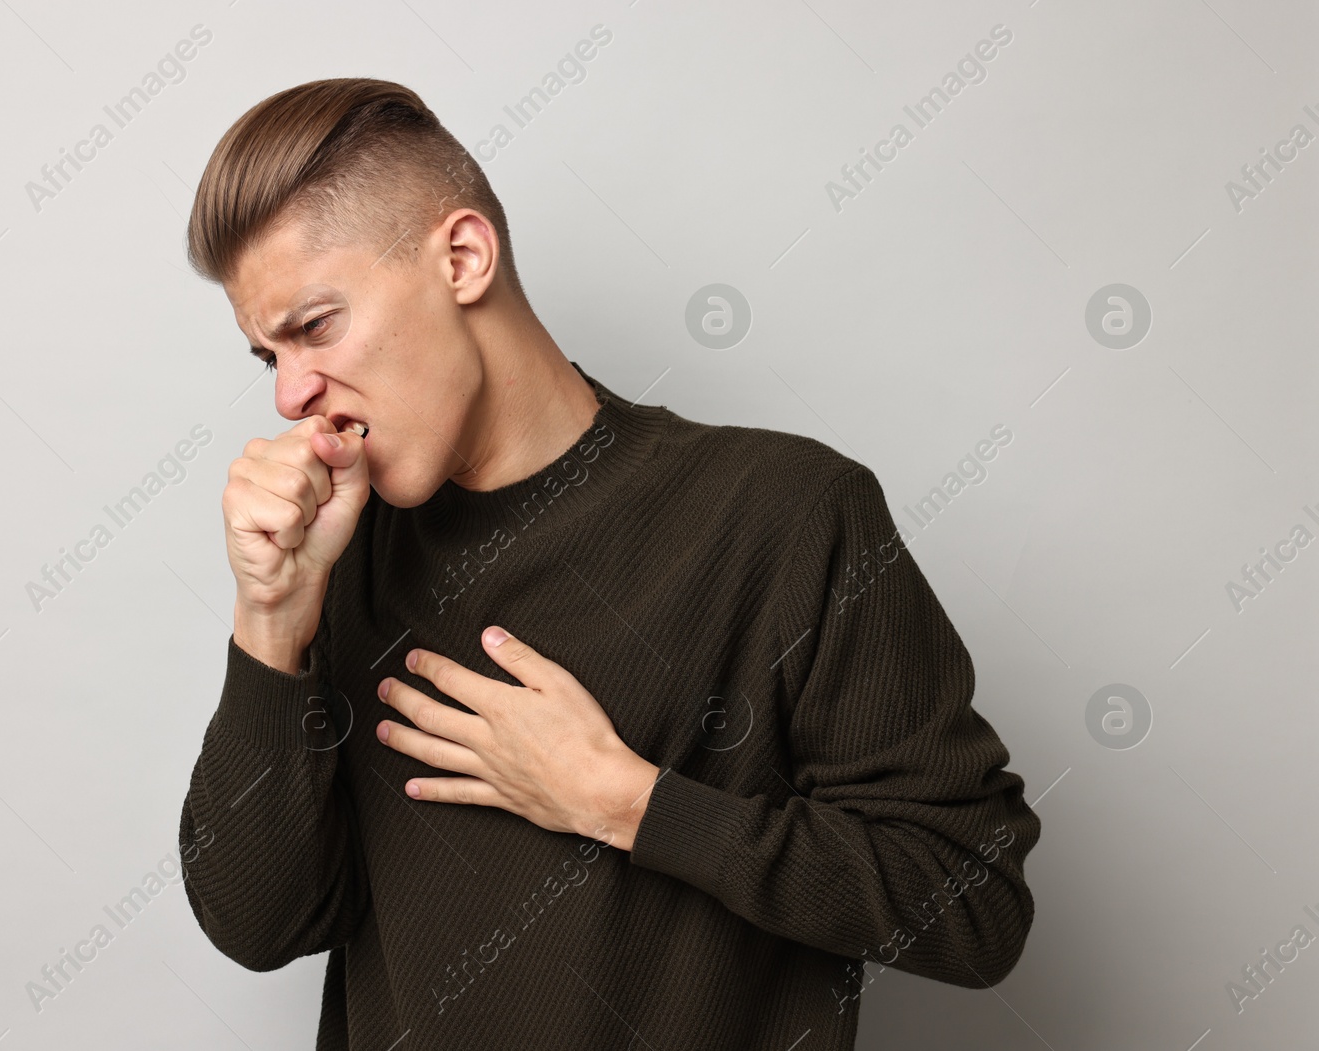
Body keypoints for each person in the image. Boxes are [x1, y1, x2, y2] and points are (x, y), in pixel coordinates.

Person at [177, 77, 1040, 1050]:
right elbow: (262, 923)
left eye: (316, 325)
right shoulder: (341, 548)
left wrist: (626, 801)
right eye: (267, 356)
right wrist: (274, 615)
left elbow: (973, 909)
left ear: (461, 257)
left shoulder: (783, 514)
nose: (293, 393)